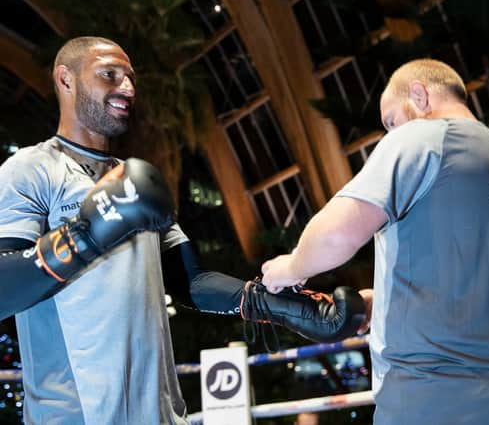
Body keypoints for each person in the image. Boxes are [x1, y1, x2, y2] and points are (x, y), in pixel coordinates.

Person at [0, 36, 365, 424]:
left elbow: (189, 280)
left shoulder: (136, 181)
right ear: (66, 80)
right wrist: (84, 235)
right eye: (109, 75)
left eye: (130, 78)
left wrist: (276, 306)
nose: (127, 88)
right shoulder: (32, 170)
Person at [262, 58, 489, 424]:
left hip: (437, 403)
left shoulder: (424, 136)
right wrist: (388, 303)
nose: (390, 134)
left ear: (420, 95)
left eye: (391, 121)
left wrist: (289, 267)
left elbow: (337, 234)